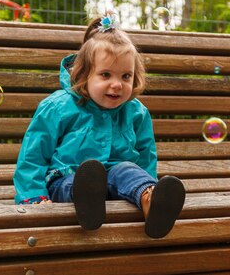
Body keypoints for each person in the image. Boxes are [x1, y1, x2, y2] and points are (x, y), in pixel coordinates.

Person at [13, 13, 186, 238]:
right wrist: (33, 195)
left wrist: (148, 181)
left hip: (118, 182)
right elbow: (33, 156)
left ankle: (151, 201)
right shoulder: (58, 106)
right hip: (67, 178)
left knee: (128, 170)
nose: (117, 84)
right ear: (84, 74)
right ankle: (89, 203)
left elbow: (146, 156)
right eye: (105, 74)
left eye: (126, 76)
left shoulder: (136, 112)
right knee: (76, 182)